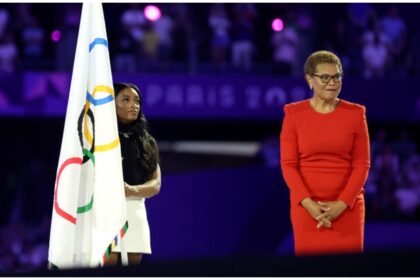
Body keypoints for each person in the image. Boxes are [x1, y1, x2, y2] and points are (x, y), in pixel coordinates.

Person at [280, 50, 370, 255]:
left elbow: (362, 165)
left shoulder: (356, 114)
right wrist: (310, 205)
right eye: (325, 77)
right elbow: (288, 165)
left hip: (348, 209)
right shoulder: (293, 114)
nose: (332, 82)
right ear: (310, 80)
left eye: (337, 76)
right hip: (307, 209)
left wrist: (341, 204)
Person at [105, 82, 161, 265]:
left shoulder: (147, 142)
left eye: (137, 101)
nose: (133, 105)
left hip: (135, 210)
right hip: (105, 210)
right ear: (111, 103)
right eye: (126, 100)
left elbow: (156, 184)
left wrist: (132, 190)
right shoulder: (100, 138)